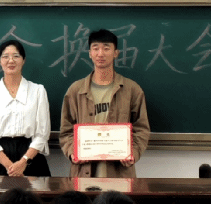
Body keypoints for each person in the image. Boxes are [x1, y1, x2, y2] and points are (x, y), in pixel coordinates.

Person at [59, 29, 150, 178]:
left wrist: (133, 152)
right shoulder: (75, 91)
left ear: (116, 53)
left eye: (106, 48)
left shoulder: (132, 89)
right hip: (84, 173)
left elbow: (141, 128)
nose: (100, 53)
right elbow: (66, 130)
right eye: (95, 48)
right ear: (90, 53)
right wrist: (73, 151)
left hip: (119, 173)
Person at [0, 40, 51, 177]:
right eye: (5, 56)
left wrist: (23, 162)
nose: (10, 60)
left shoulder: (38, 91)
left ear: (23, 60)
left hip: (31, 158)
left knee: (35, 192)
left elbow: (42, 133)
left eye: (16, 56)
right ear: (0, 61)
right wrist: (10, 166)